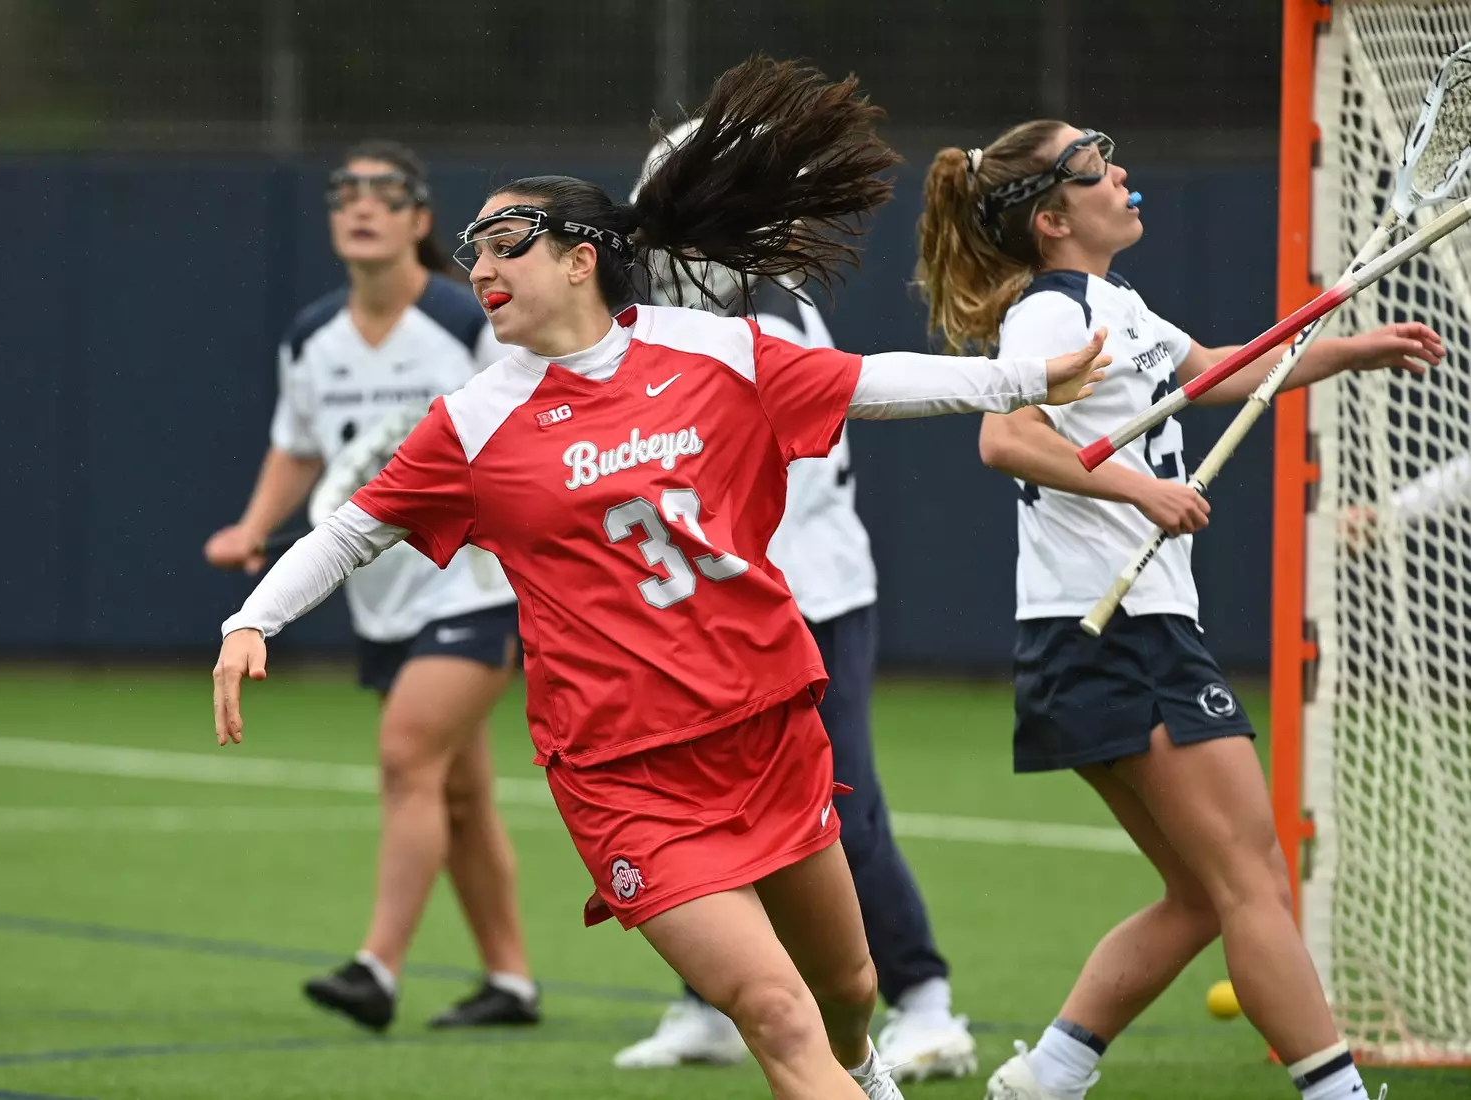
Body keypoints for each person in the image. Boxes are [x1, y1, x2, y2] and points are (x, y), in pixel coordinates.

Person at [213, 59, 1108, 1100]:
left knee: (845, 988)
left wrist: (1023, 377)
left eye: (506, 243)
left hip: (765, 729)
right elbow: (349, 531)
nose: (480, 264)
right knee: (775, 1011)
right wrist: (253, 618)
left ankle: (862, 1066)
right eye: (473, 249)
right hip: (622, 774)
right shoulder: (475, 417)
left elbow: (873, 382)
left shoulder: (716, 351)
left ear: (583, 257)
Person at [913, 119, 1441, 1100]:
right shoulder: (1047, 312)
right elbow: (1002, 437)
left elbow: (1215, 372)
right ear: (1052, 218)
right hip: (1119, 634)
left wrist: (1346, 349)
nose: (1122, 172)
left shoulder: (1115, 303)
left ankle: (1049, 1074)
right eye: (1095, 165)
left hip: (1122, 631)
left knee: (1206, 892)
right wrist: (1139, 491)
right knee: (1250, 879)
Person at [609, 120, 976, 1082]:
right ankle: (706, 999)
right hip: (717, 609)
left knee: (835, 810)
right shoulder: (667, 321)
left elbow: (739, 498)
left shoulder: (763, 326)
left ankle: (925, 998)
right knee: (701, 813)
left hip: (800, 597)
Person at [203, 140, 539, 1033]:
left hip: (473, 586)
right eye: (344, 194)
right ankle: (511, 982)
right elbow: (299, 443)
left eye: (385, 195)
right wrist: (251, 525)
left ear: (421, 221)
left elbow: (522, 429)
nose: (361, 207)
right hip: (378, 596)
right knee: (456, 792)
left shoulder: (469, 321)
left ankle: (377, 970)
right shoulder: (312, 335)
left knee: (404, 754)